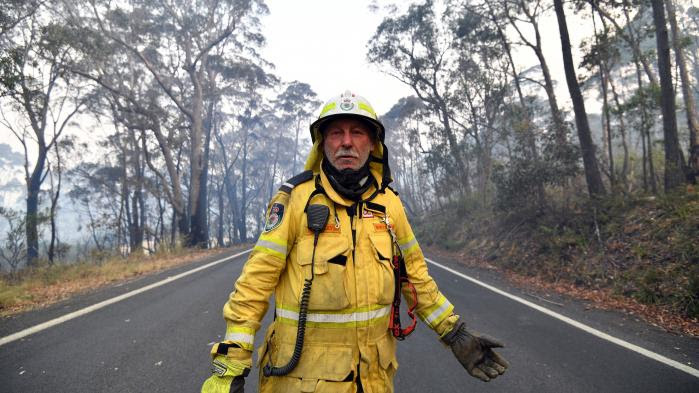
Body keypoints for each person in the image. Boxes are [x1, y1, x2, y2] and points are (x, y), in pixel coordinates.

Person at [201, 91, 508, 393]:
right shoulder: (294, 201)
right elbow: (254, 283)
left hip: (372, 380)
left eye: (357, 132)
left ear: (372, 143)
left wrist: (454, 333)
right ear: (323, 143)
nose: (346, 142)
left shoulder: (390, 205)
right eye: (336, 133)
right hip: (301, 381)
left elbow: (415, 278)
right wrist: (231, 362)